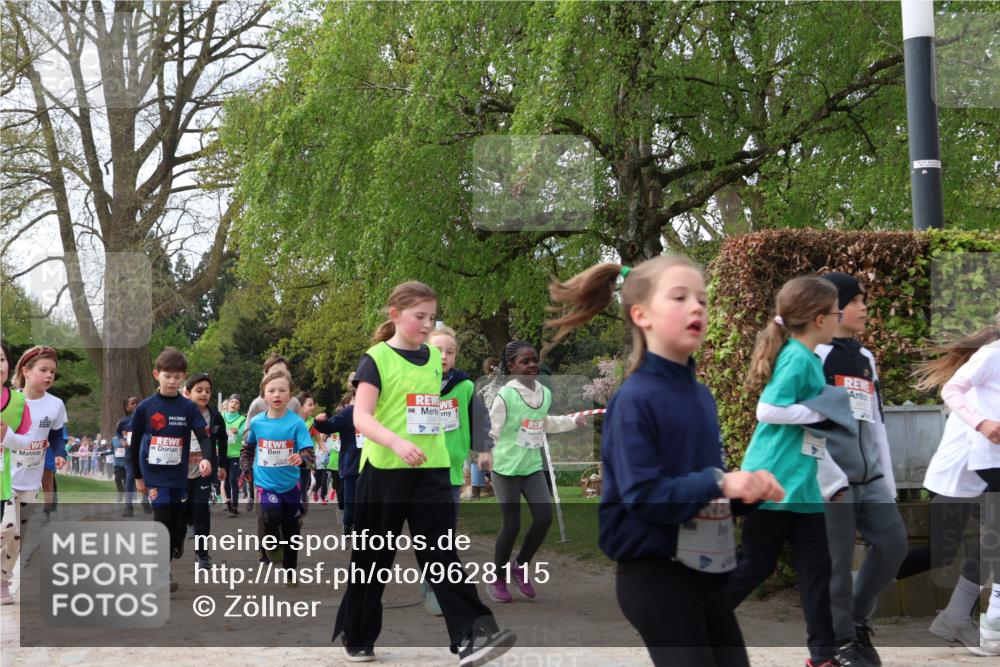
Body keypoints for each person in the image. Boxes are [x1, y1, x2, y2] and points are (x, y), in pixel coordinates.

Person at [543, 257, 784, 666]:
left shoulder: (701, 397)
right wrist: (721, 483)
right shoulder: (634, 399)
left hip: (707, 571)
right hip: (655, 576)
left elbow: (698, 488)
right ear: (642, 315)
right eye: (679, 297)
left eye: (703, 300)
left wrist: (747, 493)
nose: (697, 307)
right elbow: (644, 496)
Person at [330, 281, 515, 666]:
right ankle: (358, 635)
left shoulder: (433, 358)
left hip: (430, 470)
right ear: (395, 315)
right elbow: (361, 417)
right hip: (384, 472)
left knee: (442, 554)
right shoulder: (375, 359)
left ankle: (471, 636)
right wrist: (397, 443)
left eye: (432, 317)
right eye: (420, 317)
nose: (427, 325)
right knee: (372, 557)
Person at [726, 276, 846, 667]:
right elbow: (768, 410)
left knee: (817, 572)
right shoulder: (795, 356)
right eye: (836, 312)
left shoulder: (810, 357)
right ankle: (693, 618)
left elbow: (809, 432)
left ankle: (823, 656)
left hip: (803, 488)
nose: (840, 317)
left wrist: (833, 481)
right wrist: (821, 412)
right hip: (773, 483)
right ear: (818, 318)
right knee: (755, 566)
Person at [812, 272, 909, 667]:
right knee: (836, 564)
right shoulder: (813, 357)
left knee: (893, 545)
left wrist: (888, 480)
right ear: (833, 307)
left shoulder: (864, 358)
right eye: (857, 300)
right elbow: (804, 425)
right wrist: (828, 479)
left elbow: (876, 425)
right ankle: (845, 643)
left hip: (871, 479)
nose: (864, 307)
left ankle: (856, 622)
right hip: (832, 482)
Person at [914, 311, 1000, 656]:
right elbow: (954, 391)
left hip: (976, 473)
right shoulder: (991, 357)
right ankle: (861, 585)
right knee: (942, 552)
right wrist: (982, 423)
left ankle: (958, 617)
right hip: (963, 472)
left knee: (990, 544)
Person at [482, 340, 585, 604]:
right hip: (505, 469)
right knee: (512, 525)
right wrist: (485, 454)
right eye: (525, 361)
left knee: (543, 517)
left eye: (534, 360)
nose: (532, 365)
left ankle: (520, 566)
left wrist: (572, 421)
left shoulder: (543, 393)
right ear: (511, 366)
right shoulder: (506, 396)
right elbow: (491, 429)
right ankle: (497, 578)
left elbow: (545, 422)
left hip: (531, 466)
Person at [129, 347, 212, 593]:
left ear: (183, 378)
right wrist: (137, 477)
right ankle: (161, 575)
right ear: (157, 375)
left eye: (178, 376)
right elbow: (134, 444)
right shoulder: (145, 407)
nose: (173, 381)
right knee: (162, 517)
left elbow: (203, 436)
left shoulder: (188, 408)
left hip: (179, 476)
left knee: (177, 523)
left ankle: (176, 544)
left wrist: (206, 458)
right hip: (154, 475)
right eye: (168, 375)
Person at [1, 346, 68, 606]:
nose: (49, 375)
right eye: (43, 370)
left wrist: (60, 453)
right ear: (25, 371)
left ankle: (4, 582)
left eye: (52, 371)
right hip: (7, 476)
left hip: (31, 479)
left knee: (18, 538)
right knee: (7, 527)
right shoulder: (12, 400)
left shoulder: (55, 405)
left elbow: (56, 435)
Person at [241, 370, 314, 577]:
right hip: (265, 484)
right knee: (271, 515)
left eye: (282, 390)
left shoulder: (297, 423)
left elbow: (308, 451)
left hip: (290, 485)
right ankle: (271, 543)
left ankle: (290, 569)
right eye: (271, 390)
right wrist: (246, 467)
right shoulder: (257, 422)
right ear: (263, 395)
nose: (276, 394)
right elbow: (248, 448)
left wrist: (302, 458)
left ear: (290, 395)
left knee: (292, 528)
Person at [0, 341, 34, 605]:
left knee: (11, 529)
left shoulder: (18, 401)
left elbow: (25, 442)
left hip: (5, 481)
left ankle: (3, 579)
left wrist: (6, 435)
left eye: (1, 359)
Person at [183, 373, 227, 569]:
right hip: (181, 470)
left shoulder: (215, 415)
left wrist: (222, 465)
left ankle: (202, 555)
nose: (204, 394)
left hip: (205, 469)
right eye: (199, 390)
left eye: (207, 391)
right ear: (188, 392)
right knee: (184, 511)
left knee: (202, 509)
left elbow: (223, 440)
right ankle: (179, 537)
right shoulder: (180, 413)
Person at [313, 391, 358, 531]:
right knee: (350, 503)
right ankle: (347, 526)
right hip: (352, 466)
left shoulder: (379, 410)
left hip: (373, 466)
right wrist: (320, 422)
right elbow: (329, 426)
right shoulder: (349, 412)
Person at [222, 394, 246, 517]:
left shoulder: (242, 419)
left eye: (236, 403)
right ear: (228, 403)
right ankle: (229, 504)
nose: (233, 404)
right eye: (232, 401)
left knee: (233, 479)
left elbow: (244, 434)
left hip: (235, 454)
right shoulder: (221, 416)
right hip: (222, 454)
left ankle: (235, 505)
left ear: (239, 406)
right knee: (225, 480)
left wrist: (239, 432)